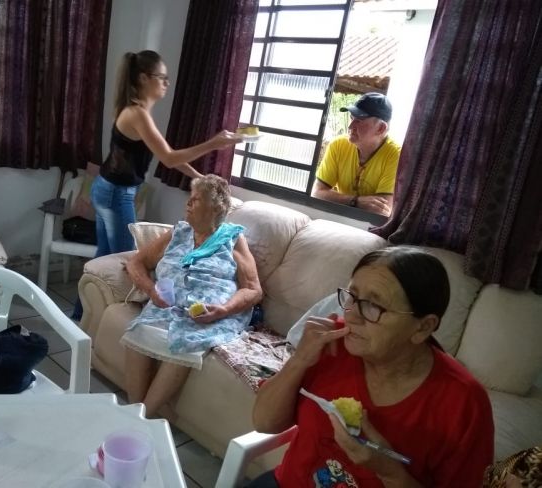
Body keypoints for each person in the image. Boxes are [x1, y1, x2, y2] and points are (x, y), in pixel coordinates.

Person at [251, 246, 494, 487]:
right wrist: (299, 360)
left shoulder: (464, 402)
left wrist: (389, 472)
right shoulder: (331, 343)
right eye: (353, 297)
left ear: (423, 327)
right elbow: (265, 423)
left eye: (374, 306)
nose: (352, 316)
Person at [72, 50, 241, 319]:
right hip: (115, 194)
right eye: (161, 77)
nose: (166, 83)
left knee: (103, 255)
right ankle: (111, 315)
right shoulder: (137, 113)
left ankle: (81, 315)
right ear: (143, 78)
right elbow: (169, 157)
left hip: (106, 188)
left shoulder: (136, 111)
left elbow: (167, 155)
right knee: (126, 259)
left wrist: (198, 176)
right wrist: (214, 143)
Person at [122, 175, 262, 419]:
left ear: (215, 208)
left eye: (196, 200)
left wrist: (224, 309)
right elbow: (136, 262)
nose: (188, 203)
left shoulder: (232, 238)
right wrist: (151, 290)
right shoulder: (179, 232)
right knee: (139, 331)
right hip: (166, 305)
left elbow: (253, 289)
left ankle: (141, 418)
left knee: (187, 341)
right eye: (190, 198)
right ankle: (135, 413)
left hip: (210, 314)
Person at [311, 92, 401, 217]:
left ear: (380, 128)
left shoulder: (395, 155)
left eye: (359, 121)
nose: (350, 126)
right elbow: (317, 193)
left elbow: (380, 211)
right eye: (351, 118)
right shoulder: (338, 145)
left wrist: (335, 198)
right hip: (337, 217)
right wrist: (355, 201)